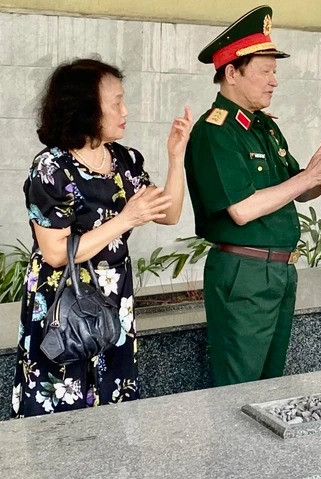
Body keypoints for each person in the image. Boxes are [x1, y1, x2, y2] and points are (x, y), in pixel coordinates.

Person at [185, 5, 321, 387]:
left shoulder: (262, 126)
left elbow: (293, 189)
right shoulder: (215, 132)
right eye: (265, 71)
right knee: (239, 389)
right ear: (232, 72)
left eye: (274, 72)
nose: (273, 82)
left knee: (271, 386)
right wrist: (309, 178)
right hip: (244, 275)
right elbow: (243, 210)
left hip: (278, 272)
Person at [11, 59, 192, 417]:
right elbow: (56, 253)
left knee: (114, 409)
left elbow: (168, 213)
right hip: (62, 307)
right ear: (86, 108)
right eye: (116, 102)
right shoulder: (51, 168)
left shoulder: (124, 160)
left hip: (113, 306)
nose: (125, 111)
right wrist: (125, 220)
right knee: (59, 408)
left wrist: (176, 157)